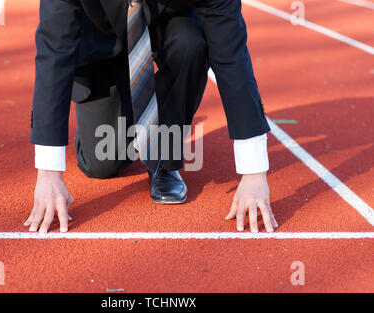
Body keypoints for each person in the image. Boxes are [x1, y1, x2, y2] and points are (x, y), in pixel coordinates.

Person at [26, 0, 278, 234]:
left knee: (191, 44)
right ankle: (127, 102)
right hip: (102, 43)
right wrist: (48, 174)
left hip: (168, 25)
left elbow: (231, 52)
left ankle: (164, 161)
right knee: (104, 162)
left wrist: (254, 174)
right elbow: (54, 52)